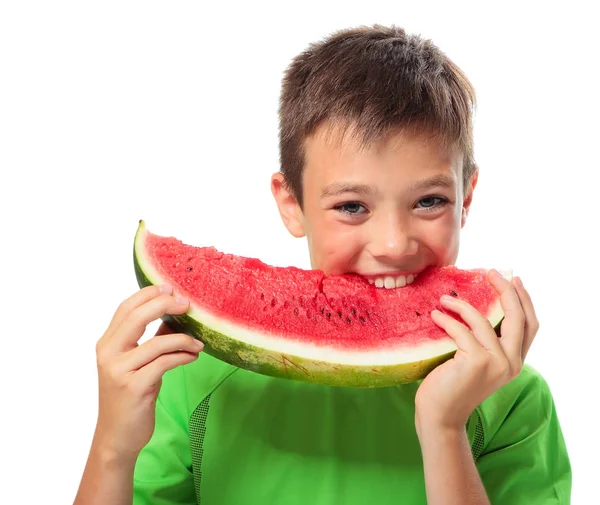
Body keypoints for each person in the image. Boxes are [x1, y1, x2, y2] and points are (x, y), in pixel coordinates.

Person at [74, 24, 571, 504]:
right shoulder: (188, 379)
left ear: (466, 198)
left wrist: (445, 428)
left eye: (429, 201)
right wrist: (113, 448)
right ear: (291, 203)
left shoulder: (513, 397)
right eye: (352, 207)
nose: (394, 245)